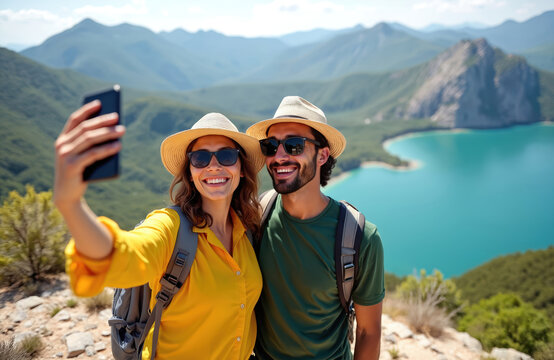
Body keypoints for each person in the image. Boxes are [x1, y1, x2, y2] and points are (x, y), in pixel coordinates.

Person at [53, 101, 265, 360]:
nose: (213, 166)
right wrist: (71, 204)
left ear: (241, 169)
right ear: (190, 171)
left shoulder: (248, 231)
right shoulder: (170, 228)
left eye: (227, 156)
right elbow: (125, 254)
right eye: (200, 158)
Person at [246, 96, 385, 359]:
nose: (279, 156)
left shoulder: (360, 238)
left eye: (294, 145)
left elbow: (369, 332)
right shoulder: (258, 215)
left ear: (322, 155)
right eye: (270, 145)